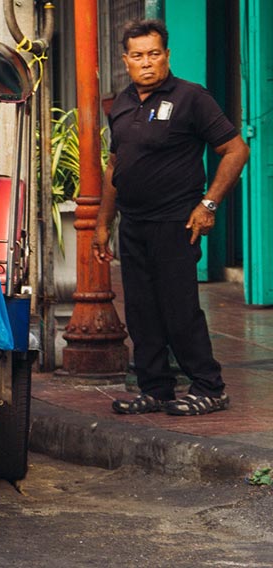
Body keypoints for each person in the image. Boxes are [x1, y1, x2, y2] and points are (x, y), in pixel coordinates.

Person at [93, 19, 249, 416]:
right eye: (139, 56)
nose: (147, 63)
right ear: (126, 60)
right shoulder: (123, 104)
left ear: (167, 56)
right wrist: (102, 224)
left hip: (177, 222)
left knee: (179, 308)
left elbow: (236, 151)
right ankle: (156, 388)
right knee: (142, 311)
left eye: (155, 54)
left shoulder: (191, 97)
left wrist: (208, 205)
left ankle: (209, 387)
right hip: (134, 223)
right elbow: (115, 166)